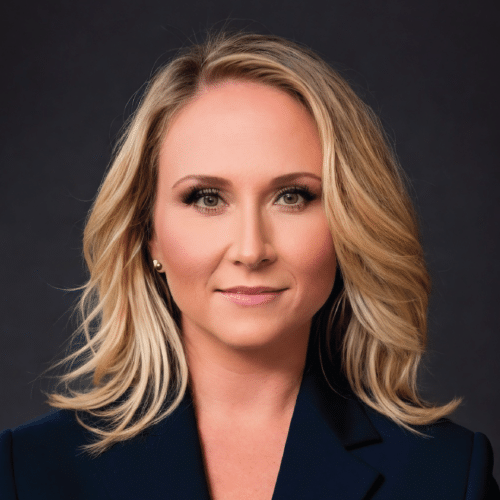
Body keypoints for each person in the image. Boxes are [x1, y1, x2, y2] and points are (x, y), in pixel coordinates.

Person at [0, 29, 498, 500]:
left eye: (292, 196)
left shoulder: (448, 475)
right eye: (207, 198)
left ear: (350, 222)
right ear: (147, 233)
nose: (251, 249)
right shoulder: (28, 471)